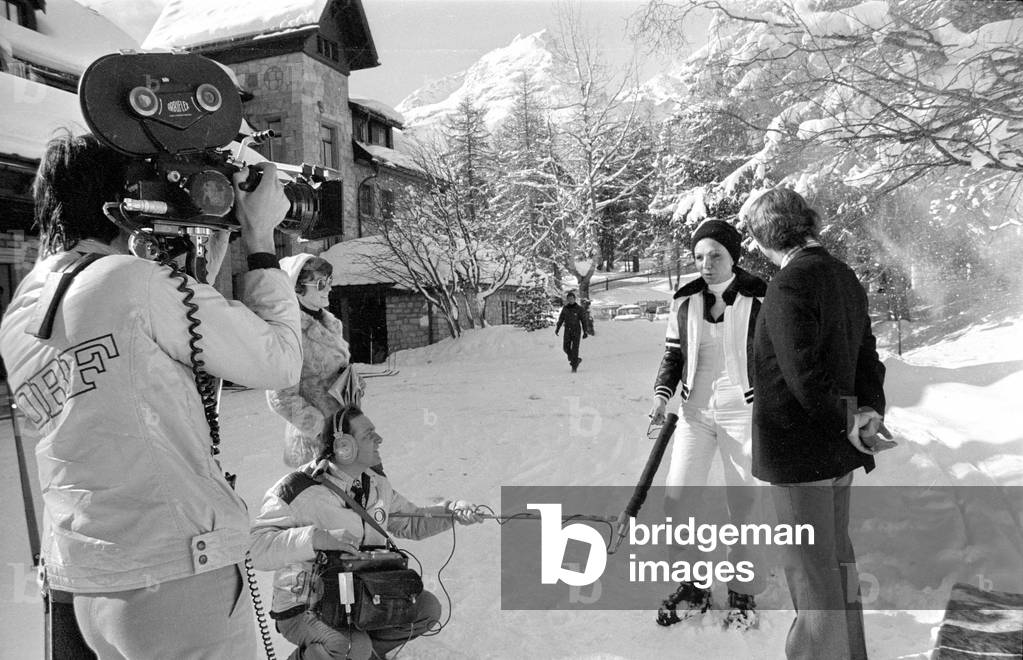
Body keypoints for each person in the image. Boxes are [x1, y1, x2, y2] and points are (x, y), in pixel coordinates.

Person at [0, 132, 302, 659]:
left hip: (85, 587)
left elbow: (145, 375)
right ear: (122, 204)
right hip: (177, 579)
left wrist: (202, 262)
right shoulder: (134, 281)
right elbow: (279, 359)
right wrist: (260, 237)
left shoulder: (24, 310)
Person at [744, 187, 894, 660]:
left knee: (812, 578)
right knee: (837, 564)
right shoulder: (844, 275)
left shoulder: (789, 284)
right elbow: (867, 355)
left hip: (800, 454)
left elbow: (804, 375)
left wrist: (851, 418)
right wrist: (868, 412)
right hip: (837, 451)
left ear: (767, 235)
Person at [250, 406, 483, 660]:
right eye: (369, 434)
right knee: (350, 646)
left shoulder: (377, 484)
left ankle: (359, 654)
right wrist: (315, 538)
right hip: (307, 605)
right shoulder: (297, 489)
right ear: (344, 446)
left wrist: (452, 512)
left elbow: (411, 522)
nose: (379, 439)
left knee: (426, 609)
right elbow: (257, 548)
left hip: (365, 595)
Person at [648, 219, 769, 630]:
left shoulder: (761, 297)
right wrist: (661, 398)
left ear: (733, 255)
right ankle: (693, 585)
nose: (706, 264)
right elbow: (672, 356)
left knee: (745, 508)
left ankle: (742, 588)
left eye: (715, 255)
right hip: (694, 414)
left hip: (744, 414)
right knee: (677, 502)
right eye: (699, 256)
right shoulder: (683, 301)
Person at [269, 254, 371, 470]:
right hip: (314, 445)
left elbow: (331, 373)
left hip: (345, 432)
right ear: (297, 288)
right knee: (324, 500)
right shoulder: (289, 331)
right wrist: (323, 429)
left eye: (330, 281)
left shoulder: (333, 324)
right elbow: (280, 397)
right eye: (321, 284)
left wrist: (352, 384)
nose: (329, 289)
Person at [555, 291, 588, 372]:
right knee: (565, 347)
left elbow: (584, 321)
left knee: (575, 349)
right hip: (567, 330)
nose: (570, 300)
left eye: (572, 298)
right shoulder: (565, 308)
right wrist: (557, 328)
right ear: (567, 300)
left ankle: (574, 367)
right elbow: (561, 319)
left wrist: (585, 331)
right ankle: (575, 359)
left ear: (574, 299)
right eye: (569, 299)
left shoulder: (579, 309)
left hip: (576, 330)